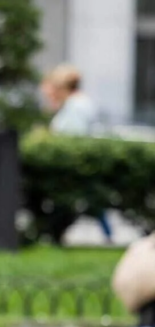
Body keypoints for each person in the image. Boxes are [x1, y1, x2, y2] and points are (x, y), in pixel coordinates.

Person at [43, 64, 111, 240]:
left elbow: (73, 136)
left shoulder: (76, 106)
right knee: (93, 200)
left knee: (79, 199)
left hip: (77, 163)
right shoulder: (77, 104)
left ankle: (53, 234)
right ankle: (108, 235)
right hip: (84, 162)